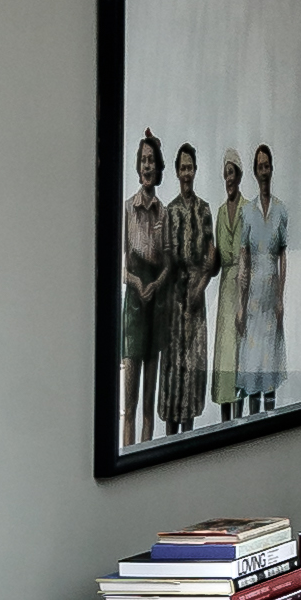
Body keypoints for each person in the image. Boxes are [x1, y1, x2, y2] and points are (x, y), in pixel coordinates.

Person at [117, 129, 169, 457]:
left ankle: (147, 459)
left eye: (152, 160)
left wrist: (156, 282)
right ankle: (126, 454)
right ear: (137, 167)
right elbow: (119, 267)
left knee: (149, 400)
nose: (147, 166)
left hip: (156, 309)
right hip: (134, 308)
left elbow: (168, 266)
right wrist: (136, 284)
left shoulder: (163, 213)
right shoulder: (126, 209)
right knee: (130, 401)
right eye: (143, 161)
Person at [160, 141, 216, 437]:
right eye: (182, 168)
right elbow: (166, 261)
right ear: (176, 171)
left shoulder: (204, 210)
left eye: (190, 167)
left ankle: (189, 440)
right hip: (174, 303)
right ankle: (169, 442)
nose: (186, 173)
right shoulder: (169, 212)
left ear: (196, 170)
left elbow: (212, 259)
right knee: (172, 375)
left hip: (196, 303)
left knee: (192, 372)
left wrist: (201, 285)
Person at [240, 141, 290, 415]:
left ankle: (270, 417)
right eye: (259, 166)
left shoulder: (281, 210)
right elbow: (243, 258)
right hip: (253, 295)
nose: (264, 171)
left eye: (267, 165)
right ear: (254, 171)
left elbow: (283, 255)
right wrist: (240, 302)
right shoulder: (248, 211)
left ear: (272, 169)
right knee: (254, 360)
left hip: (271, 292)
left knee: (270, 359)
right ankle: (253, 418)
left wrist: (281, 298)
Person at [211, 152, 249, 414]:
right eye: (225, 174)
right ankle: (225, 422)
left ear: (240, 175)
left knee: (241, 358)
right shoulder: (220, 211)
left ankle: (240, 421)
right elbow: (215, 259)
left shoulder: (249, 209)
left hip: (244, 286)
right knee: (225, 358)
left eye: (232, 172)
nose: (228, 179)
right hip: (225, 289)